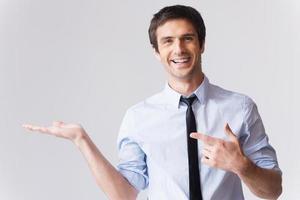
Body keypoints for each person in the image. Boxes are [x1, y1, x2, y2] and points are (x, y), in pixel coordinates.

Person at [22, 5, 282, 200]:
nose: (178, 49)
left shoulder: (240, 108)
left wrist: (241, 166)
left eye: (187, 38)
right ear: (157, 52)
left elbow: (273, 191)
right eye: (168, 41)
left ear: (201, 44)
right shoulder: (138, 117)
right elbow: (124, 193)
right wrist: (81, 140)